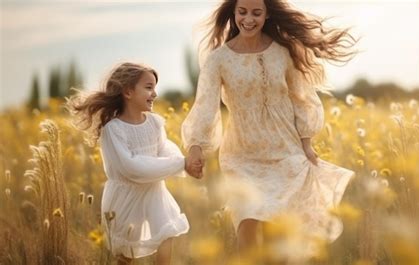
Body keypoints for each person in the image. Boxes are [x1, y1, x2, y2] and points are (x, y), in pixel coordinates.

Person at [181, 0, 356, 257]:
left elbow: (301, 98)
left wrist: (306, 143)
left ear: (267, 14)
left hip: (285, 151)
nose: (248, 19)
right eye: (242, 12)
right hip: (241, 156)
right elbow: (205, 105)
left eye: (256, 12)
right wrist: (196, 146)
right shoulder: (218, 59)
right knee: (247, 220)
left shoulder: (283, 52)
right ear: (233, 13)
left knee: (281, 233)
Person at [67, 62, 200, 265]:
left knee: (167, 232)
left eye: (155, 87)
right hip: (126, 197)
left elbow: (164, 147)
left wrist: (186, 163)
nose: (155, 93)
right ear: (128, 92)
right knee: (125, 253)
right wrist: (180, 164)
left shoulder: (154, 122)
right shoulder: (113, 130)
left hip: (154, 190)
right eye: (148, 87)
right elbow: (132, 168)